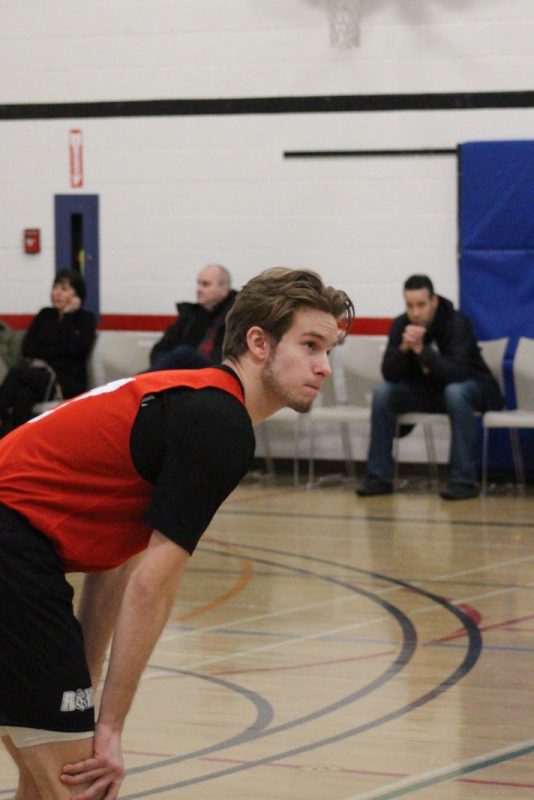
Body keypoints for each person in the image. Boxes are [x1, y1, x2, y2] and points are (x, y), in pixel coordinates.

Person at [0, 267, 352, 800]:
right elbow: (152, 587)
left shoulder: (192, 401)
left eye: (329, 350)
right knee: (81, 786)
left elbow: (115, 567)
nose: (323, 366)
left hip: (18, 553)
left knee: (47, 776)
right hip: (10, 551)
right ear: (258, 342)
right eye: (310, 345)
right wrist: (111, 730)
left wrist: (89, 697)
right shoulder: (219, 421)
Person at [356, 274, 503, 501]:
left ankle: (463, 480)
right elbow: (389, 373)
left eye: (421, 305)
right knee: (383, 392)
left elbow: (458, 372)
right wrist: (404, 348)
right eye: (410, 305)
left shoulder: (456, 323)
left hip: (472, 388)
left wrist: (422, 351)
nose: (415, 312)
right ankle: (378, 477)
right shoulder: (401, 324)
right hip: (429, 393)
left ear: (433, 301)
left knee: (455, 392)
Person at [0, 269, 96, 435]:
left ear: (77, 295)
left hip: (67, 379)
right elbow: (28, 348)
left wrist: (67, 316)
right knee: (24, 395)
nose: (57, 293)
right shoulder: (45, 314)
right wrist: (58, 351)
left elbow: (76, 349)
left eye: (64, 289)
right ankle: (18, 444)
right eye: (56, 287)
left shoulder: (85, 319)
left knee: (16, 373)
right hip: (39, 375)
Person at [147, 264, 237, 371]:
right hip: (185, 376)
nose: (199, 289)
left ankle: (136, 383)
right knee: (181, 355)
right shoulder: (192, 315)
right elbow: (161, 348)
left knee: (184, 354)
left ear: (224, 288)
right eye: (198, 283)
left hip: (218, 371)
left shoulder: (237, 315)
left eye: (205, 284)